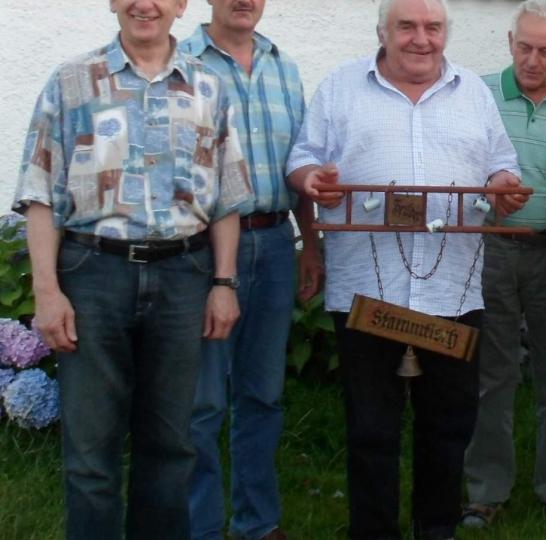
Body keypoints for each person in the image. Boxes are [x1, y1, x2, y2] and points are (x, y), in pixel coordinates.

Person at [285, 0, 526, 538]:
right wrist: (309, 180)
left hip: (452, 291)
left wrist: (503, 187)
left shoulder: (474, 93)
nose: (421, 39)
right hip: (366, 293)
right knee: (372, 428)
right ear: (382, 32)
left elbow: (500, 163)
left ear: (446, 32)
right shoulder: (340, 87)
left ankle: (434, 529)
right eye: (407, 27)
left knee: (449, 424)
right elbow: (302, 158)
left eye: (432, 27)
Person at [11, 1, 252, 538]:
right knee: (90, 449)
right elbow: (40, 192)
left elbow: (227, 198)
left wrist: (224, 283)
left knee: (170, 447)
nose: (146, 4)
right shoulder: (72, 82)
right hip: (94, 273)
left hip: (184, 276)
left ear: (181, 5)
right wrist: (47, 292)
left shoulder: (210, 86)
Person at [180, 1, 320, 539]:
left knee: (263, 394)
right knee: (203, 400)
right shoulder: (184, 63)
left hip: (276, 240)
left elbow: (300, 159)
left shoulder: (282, 66)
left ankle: (258, 523)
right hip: (202, 249)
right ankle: (201, 527)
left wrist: (311, 244)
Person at [460, 0, 546, 529]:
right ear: (510, 43)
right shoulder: (477, 95)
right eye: (525, 47)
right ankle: (485, 491)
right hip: (490, 248)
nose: (533, 60)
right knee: (493, 373)